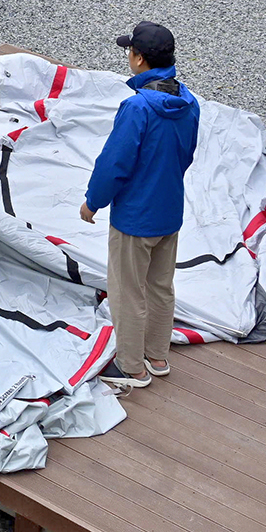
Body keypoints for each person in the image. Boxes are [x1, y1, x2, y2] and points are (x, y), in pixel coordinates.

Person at [78, 22, 198, 391]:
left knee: (127, 291)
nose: (128, 56)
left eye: (129, 51)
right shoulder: (189, 100)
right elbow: (186, 153)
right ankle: (157, 356)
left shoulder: (137, 108)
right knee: (161, 286)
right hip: (169, 212)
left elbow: (115, 162)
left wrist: (93, 202)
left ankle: (132, 367)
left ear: (140, 59)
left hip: (135, 218)